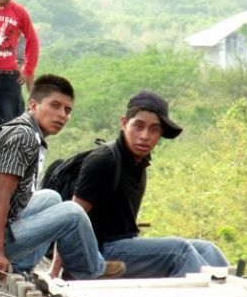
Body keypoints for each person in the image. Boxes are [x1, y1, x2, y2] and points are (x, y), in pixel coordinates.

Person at [0, 75, 125, 279]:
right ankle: (92, 270)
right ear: (33, 105)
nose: (62, 115)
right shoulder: (22, 138)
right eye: (55, 106)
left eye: (67, 110)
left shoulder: (24, 129)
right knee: (73, 213)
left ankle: (23, 263)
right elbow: (0, 196)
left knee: (51, 197)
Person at [57, 90, 229, 279]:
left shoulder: (137, 163)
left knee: (208, 250)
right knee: (180, 252)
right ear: (124, 123)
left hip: (124, 244)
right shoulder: (104, 160)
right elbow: (71, 218)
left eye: (154, 129)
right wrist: (57, 270)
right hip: (98, 254)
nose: (145, 136)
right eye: (138, 126)